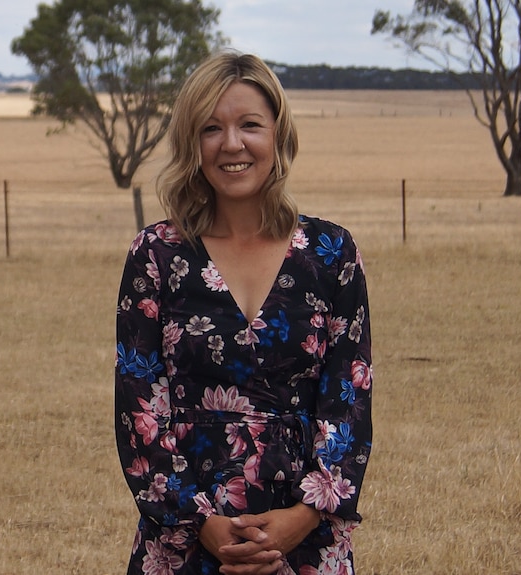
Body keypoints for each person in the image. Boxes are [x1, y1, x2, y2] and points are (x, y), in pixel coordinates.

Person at [114, 51, 373, 575]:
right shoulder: (157, 255)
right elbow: (139, 409)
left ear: (278, 134)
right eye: (211, 128)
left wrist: (304, 515)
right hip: (185, 540)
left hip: (305, 539)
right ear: (193, 144)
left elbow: (349, 396)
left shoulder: (331, 253)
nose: (232, 144)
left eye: (249, 125)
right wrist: (199, 521)